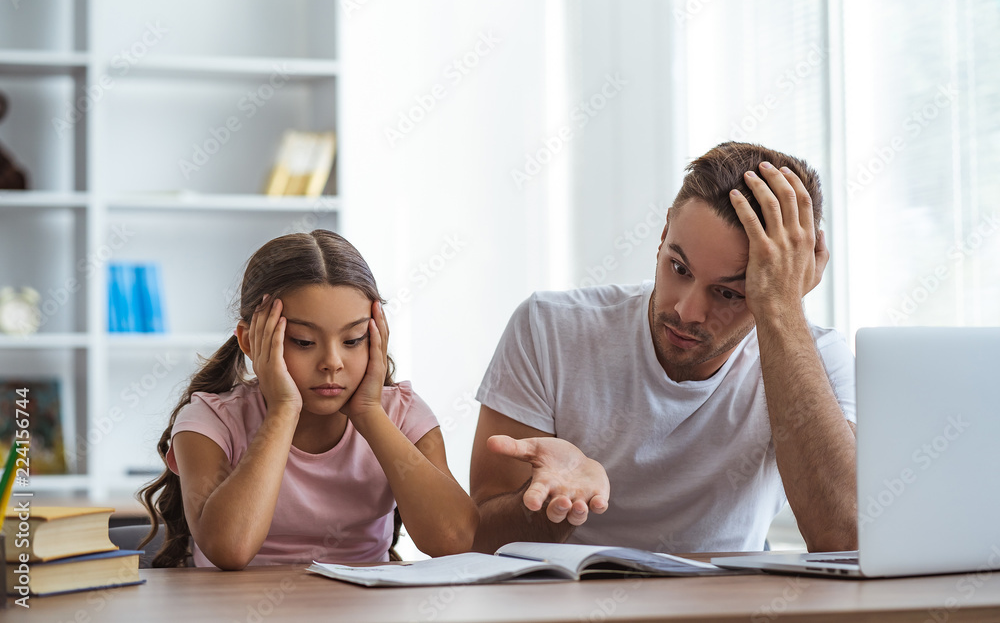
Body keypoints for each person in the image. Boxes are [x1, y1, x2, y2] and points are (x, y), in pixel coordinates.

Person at [470, 142, 857, 555]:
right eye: (679, 268)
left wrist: (782, 310)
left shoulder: (817, 359)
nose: (687, 311)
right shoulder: (548, 327)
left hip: (729, 608)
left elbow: (844, 537)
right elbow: (477, 539)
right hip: (570, 607)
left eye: (728, 293)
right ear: (663, 235)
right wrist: (555, 507)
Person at [139, 230, 478, 569]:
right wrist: (283, 412)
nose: (332, 362)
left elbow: (455, 541)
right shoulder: (210, 421)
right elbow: (230, 549)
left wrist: (370, 413)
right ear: (249, 340)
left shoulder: (402, 414)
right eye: (303, 341)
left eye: (353, 339)